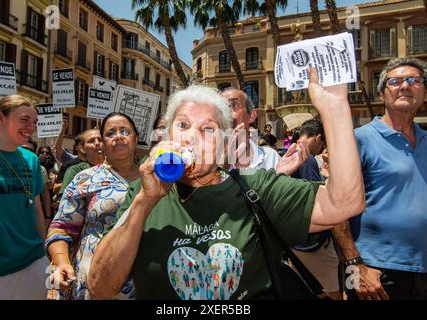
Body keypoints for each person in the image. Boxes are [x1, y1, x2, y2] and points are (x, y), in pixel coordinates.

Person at [87, 69, 366, 300]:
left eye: (207, 129)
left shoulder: (257, 189)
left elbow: (345, 202)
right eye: (182, 126)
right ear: (167, 135)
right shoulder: (142, 193)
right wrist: (144, 203)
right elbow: (100, 288)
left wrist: (335, 110)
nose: (190, 138)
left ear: (223, 145)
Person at [331, 57, 427, 300]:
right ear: (383, 92)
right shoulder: (359, 139)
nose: (405, 86)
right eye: (395, 81)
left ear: (424, 91)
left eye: (414, 80)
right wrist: (356, 267)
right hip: (376, 273)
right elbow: (335, 208)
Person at [45, 112, 140, 300]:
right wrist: (61, 261)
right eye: (111, 133)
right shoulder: (85, 179)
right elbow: (60, 229)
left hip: (144, 282)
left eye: (125, 131)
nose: (118, 136)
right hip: (93, 281)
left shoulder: (156, 178)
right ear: (103, 143)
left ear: (136, 138)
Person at [0, 95, 48, 300]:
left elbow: (36, 210)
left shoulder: (31, 159)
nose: (31, 127)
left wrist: (44, 255)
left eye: (34, 122)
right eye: (24, 119)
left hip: (34, 264)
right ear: (0, 118)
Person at [290, 119, 341, 300]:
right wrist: (327, 178)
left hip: (294, 239)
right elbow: (313, 198)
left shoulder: (289, 153)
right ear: (319, 138)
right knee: (335, 292)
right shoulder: (307, 158)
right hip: (312, 243)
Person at [221, 88, 306, 174]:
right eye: (221, 108)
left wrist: (277, 178)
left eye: (233, 105)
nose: (226, 113)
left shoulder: (270, 157)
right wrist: (220, 169)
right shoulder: (210, 161)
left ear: (251, 116)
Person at [54, 128, 104, 196]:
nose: (97, 143)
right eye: (91, 141)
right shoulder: (73, 169)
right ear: (81, 148)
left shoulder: (116, 167)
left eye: (100, 140)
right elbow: (65, 198)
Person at [21, 138, 52, 221]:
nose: (26, 153)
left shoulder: (40, 170)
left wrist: (47, 217)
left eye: (30, 150)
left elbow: (45, 194)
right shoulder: (7, 166)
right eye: (23, 149)